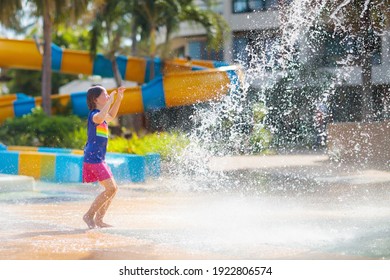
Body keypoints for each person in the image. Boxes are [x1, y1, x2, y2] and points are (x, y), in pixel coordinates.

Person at [82, 85, 125, 229]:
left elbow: (111, 116)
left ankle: (99, 220)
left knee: (114, 189)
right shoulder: (94, 114)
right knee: (111, 188)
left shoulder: (102, 115)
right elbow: (100, 118)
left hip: (99, 158)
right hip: (93, 158)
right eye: (105, 95)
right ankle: (89, 215)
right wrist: (110, 102)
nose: (107, 96)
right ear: (96, 99)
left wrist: (118, 99)